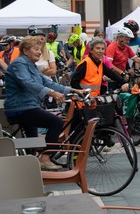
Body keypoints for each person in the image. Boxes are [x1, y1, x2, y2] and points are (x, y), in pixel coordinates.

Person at [3, 36, 85, 170]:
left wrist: (73, 90)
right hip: (20, 107)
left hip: (29, 106)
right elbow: (27, 82)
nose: (40, 52)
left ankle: (31, 170)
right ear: (25, 50)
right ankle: (46, 158)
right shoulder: (19, 64)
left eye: (40, 49)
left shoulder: (32, 66)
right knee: (56, 122)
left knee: (32, 144)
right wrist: (51, 93)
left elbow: (48, 82)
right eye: (36, 49)